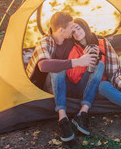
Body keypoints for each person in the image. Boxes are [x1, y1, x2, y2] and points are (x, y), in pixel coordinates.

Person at [25, 11, 100, 142]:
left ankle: (82, 113)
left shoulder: (70, 39)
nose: (73, 30)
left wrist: (91, 50)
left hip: (72, 84)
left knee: (100, 65)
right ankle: (62, 117)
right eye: (71, 27)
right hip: (52, 87)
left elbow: (87, 37)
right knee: (57, 67)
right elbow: (43, 66)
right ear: (61, 30)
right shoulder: (45, 42)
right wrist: (77, 62)